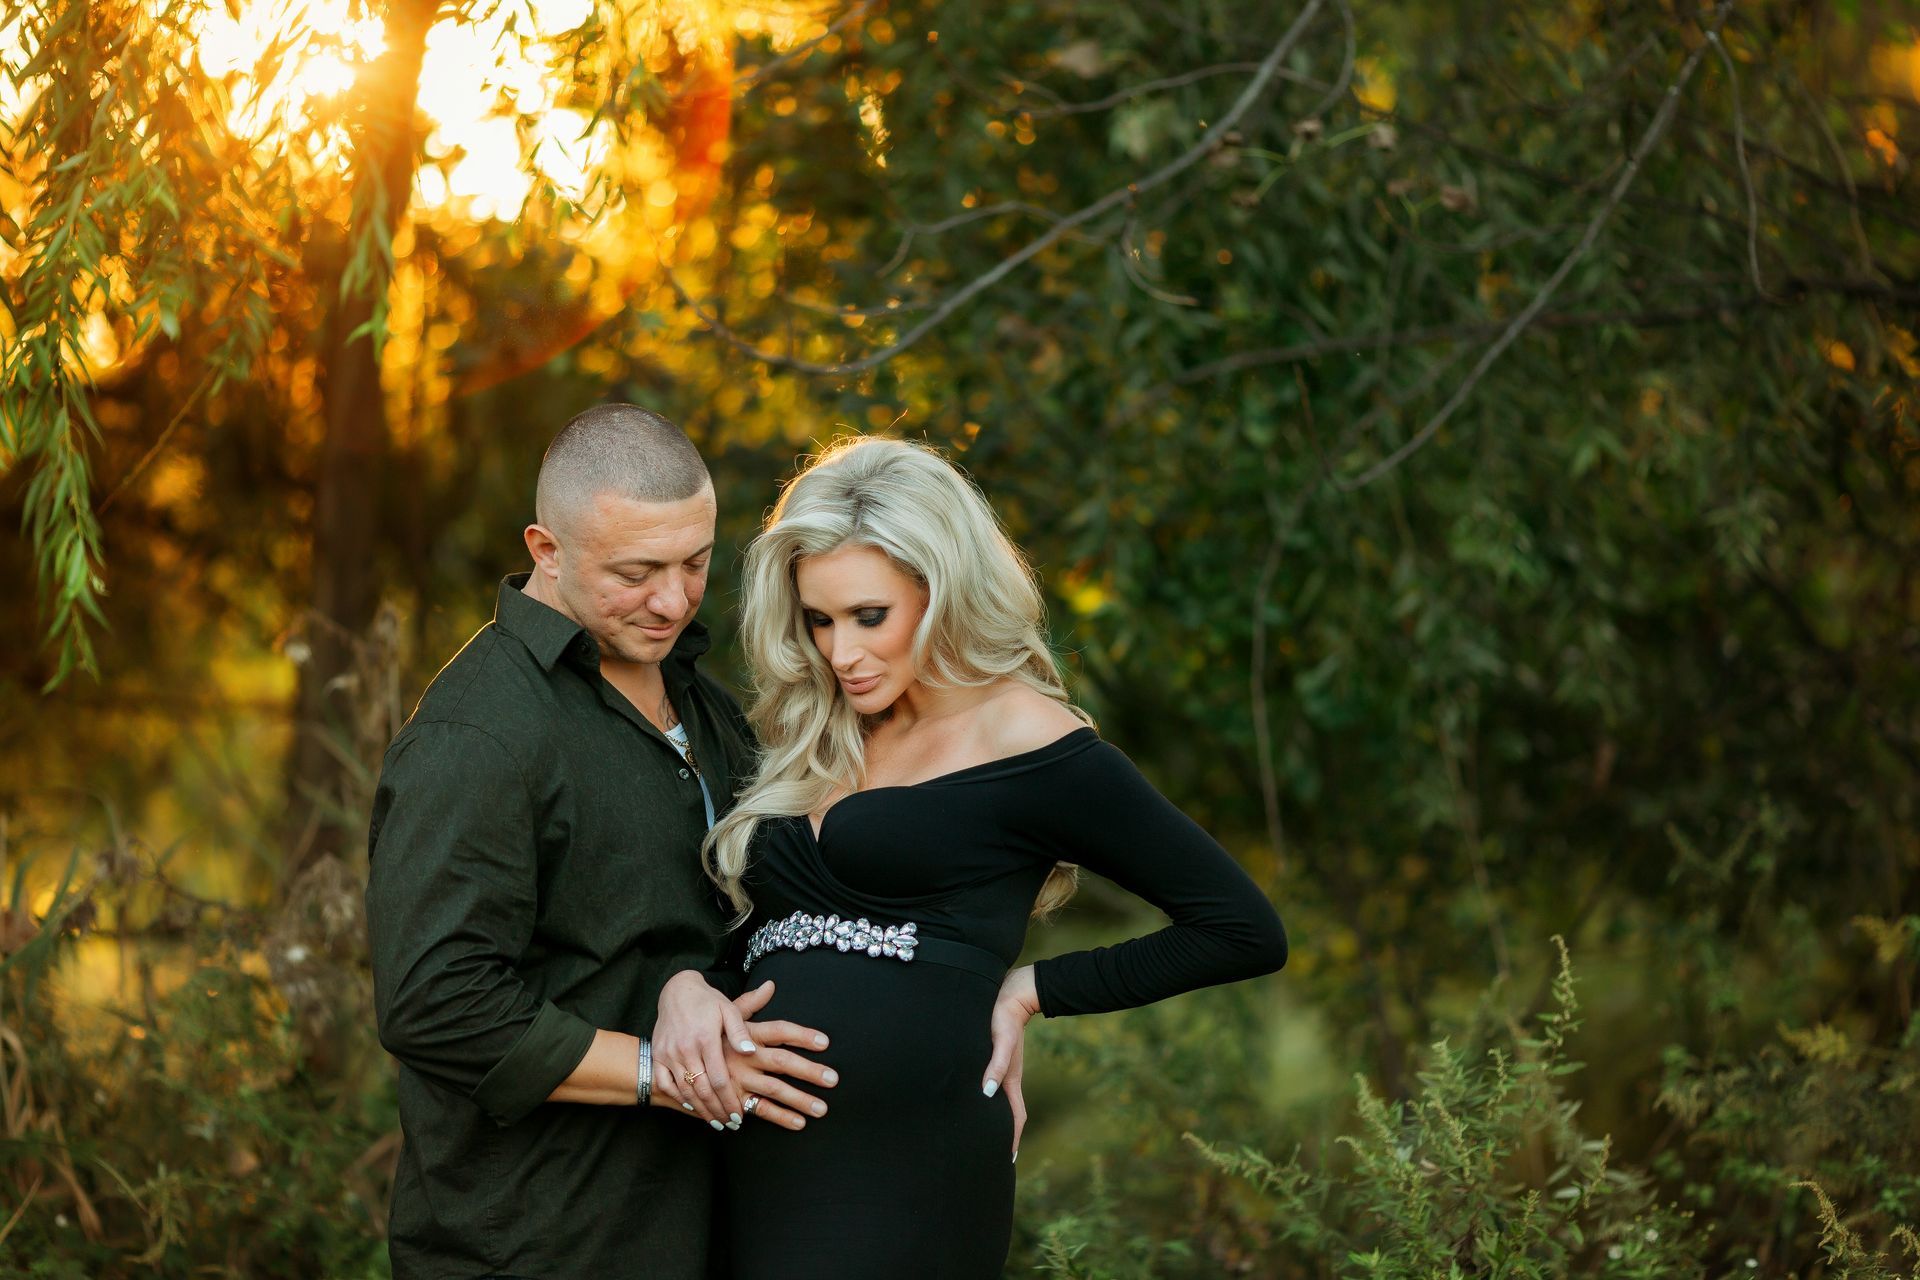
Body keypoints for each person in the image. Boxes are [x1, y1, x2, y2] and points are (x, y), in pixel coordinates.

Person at [674, 436, 1290, 1278]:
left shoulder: (1029, 739)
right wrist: (691, 990)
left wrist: (1032, 989)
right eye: (819, 619)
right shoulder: (816, 731)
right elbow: (742, 925)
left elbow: (1240, 927)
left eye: (869, 616)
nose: (840, 653)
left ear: (945, 590)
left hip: (904, 1174)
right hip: (737, 1155)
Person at [365, 404, 836, 1280]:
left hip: (698, 1218)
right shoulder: (479, 737)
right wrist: (665, 1070)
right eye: (637, 571)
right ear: (547, 551)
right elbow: (436, 1000)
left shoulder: (702, 705)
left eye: (695, 563)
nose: (672, 599)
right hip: (538, 1240)